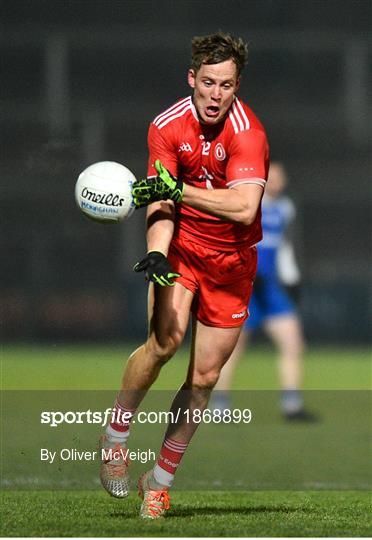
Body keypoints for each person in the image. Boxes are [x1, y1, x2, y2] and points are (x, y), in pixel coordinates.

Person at [99, 31, 269, 519]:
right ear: (191, 78)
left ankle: (160, 480)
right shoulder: (166, 127)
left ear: (237, 86)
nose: (217, 95)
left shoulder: (247, 133)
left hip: (233, 261)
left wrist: (180, 191)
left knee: (205, 376)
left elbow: (243, 206)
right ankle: (115, 437)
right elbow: (160, 196)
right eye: (209, 82)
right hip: (185, 251)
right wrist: (157, 251)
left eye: (228, 85)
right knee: (165, 343)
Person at [212, 162, 314, 420]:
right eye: (273, 176)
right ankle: (220, 404)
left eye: (281, 176)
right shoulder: (247, 204)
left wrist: (292, 278)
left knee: (293, 341)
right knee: (234, 348)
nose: (278, 181)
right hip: (244, 287)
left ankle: (292, 405)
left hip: (270, 287)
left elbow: (284, 249)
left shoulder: (285, 208)